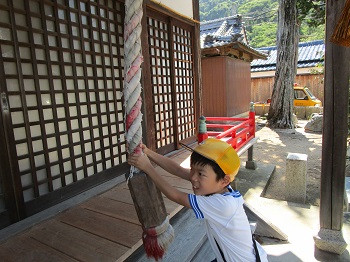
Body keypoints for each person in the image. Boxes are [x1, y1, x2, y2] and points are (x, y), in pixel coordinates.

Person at [128, 138, 268, 262]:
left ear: (224, 180)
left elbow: (175, 195)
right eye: (192, 170)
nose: (193, 177)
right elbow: (176, 169)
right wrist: (149, 153)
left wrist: (147, 167)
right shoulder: (219, 188)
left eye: (200, 173)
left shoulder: (222, 205)